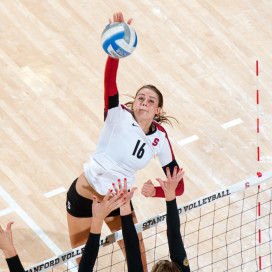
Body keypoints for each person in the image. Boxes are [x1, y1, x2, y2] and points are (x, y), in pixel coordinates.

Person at [66, 11, 185, 270]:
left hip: (120, 202)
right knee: (81, 263)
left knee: (139, 263)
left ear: (158, 111)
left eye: (151, 100)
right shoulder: (117, 115)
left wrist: (156, 192)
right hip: (86, 196)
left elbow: (178, 187)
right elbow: (110, 82)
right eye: (141, 97)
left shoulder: (160, 139)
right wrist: (114, 53)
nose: (144, 101)